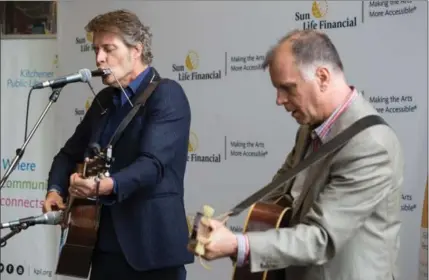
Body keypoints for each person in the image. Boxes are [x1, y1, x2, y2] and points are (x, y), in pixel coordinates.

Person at [189, 29, 404, 280]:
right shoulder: (308, 129)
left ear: (322, 77)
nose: (279, 100)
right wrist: (222, 228)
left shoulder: (370, 145)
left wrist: (239, 245)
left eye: (287, 88)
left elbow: (321, 238)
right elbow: (278, 196)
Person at [43, 9, 193, 280]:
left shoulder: (167, 94)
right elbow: (67, 155)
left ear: (136, 50)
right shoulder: (103, 100)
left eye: (109, 49)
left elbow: (152, 165)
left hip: (151, 252)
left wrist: (102, 186)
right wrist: (55, 191)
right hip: (100, 247)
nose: (99, 58)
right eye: (96, 49)